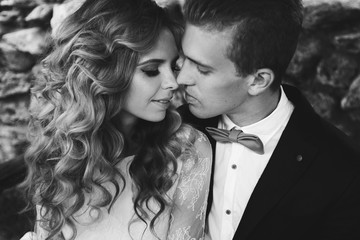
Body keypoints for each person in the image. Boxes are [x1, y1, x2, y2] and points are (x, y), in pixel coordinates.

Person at [19, 0, 212, 239]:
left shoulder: (187, 150)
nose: (173, 82)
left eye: (173, 67)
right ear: (107, 73)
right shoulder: (63, 145)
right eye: (151, 70)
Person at [176, 0, 360, 239]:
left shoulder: (343, 170)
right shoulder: (172, 129)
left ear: (258, 81)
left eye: (202, 69)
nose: (181, 78)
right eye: (184, 58)